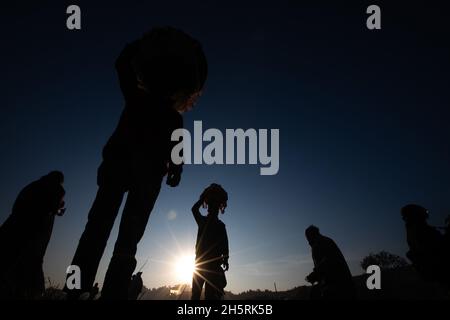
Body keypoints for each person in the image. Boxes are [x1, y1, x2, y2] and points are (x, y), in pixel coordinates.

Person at [65, 27, 208, 299]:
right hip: (140, 175)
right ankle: (105, 293)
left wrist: (142, 44)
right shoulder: (166, 114)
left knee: (100, 230)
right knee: (119, 237)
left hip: (128, 171)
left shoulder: (140, 99)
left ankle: (80, 291)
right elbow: (177, 161)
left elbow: (122, 63)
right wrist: (175, 171)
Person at [0, 171, 66, 299]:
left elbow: (17, 205)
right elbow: (52, 207)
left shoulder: (32, 186)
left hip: (13, 226)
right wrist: (59, 209)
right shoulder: (58, 189)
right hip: (34, 231)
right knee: (31, 262)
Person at [191, 184, 229, 300]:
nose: (215, 210)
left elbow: (225, 245)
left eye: (216, 207)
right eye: (213, 207)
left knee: (206, 296)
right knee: (198, 295)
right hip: (202, 265)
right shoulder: (205, 222)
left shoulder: (219, 226)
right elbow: (193, 209)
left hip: (208, 266)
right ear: (210, 208)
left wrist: (226, 259)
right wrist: (204, 198)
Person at [401, 204, 449, 287]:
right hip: (439, 267)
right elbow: (437, 246)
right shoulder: (420, 230)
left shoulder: (414, 229)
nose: (425, 219)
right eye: (423, 216)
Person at [304, 225, 355, 300]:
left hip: (337, 286)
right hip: (343, 284)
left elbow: (327, 263)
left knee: (314, 293)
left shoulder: (319, 244)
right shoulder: (326, 241)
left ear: (311, 236)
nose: (308, 242)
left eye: (308, 238)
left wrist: (314, 275)